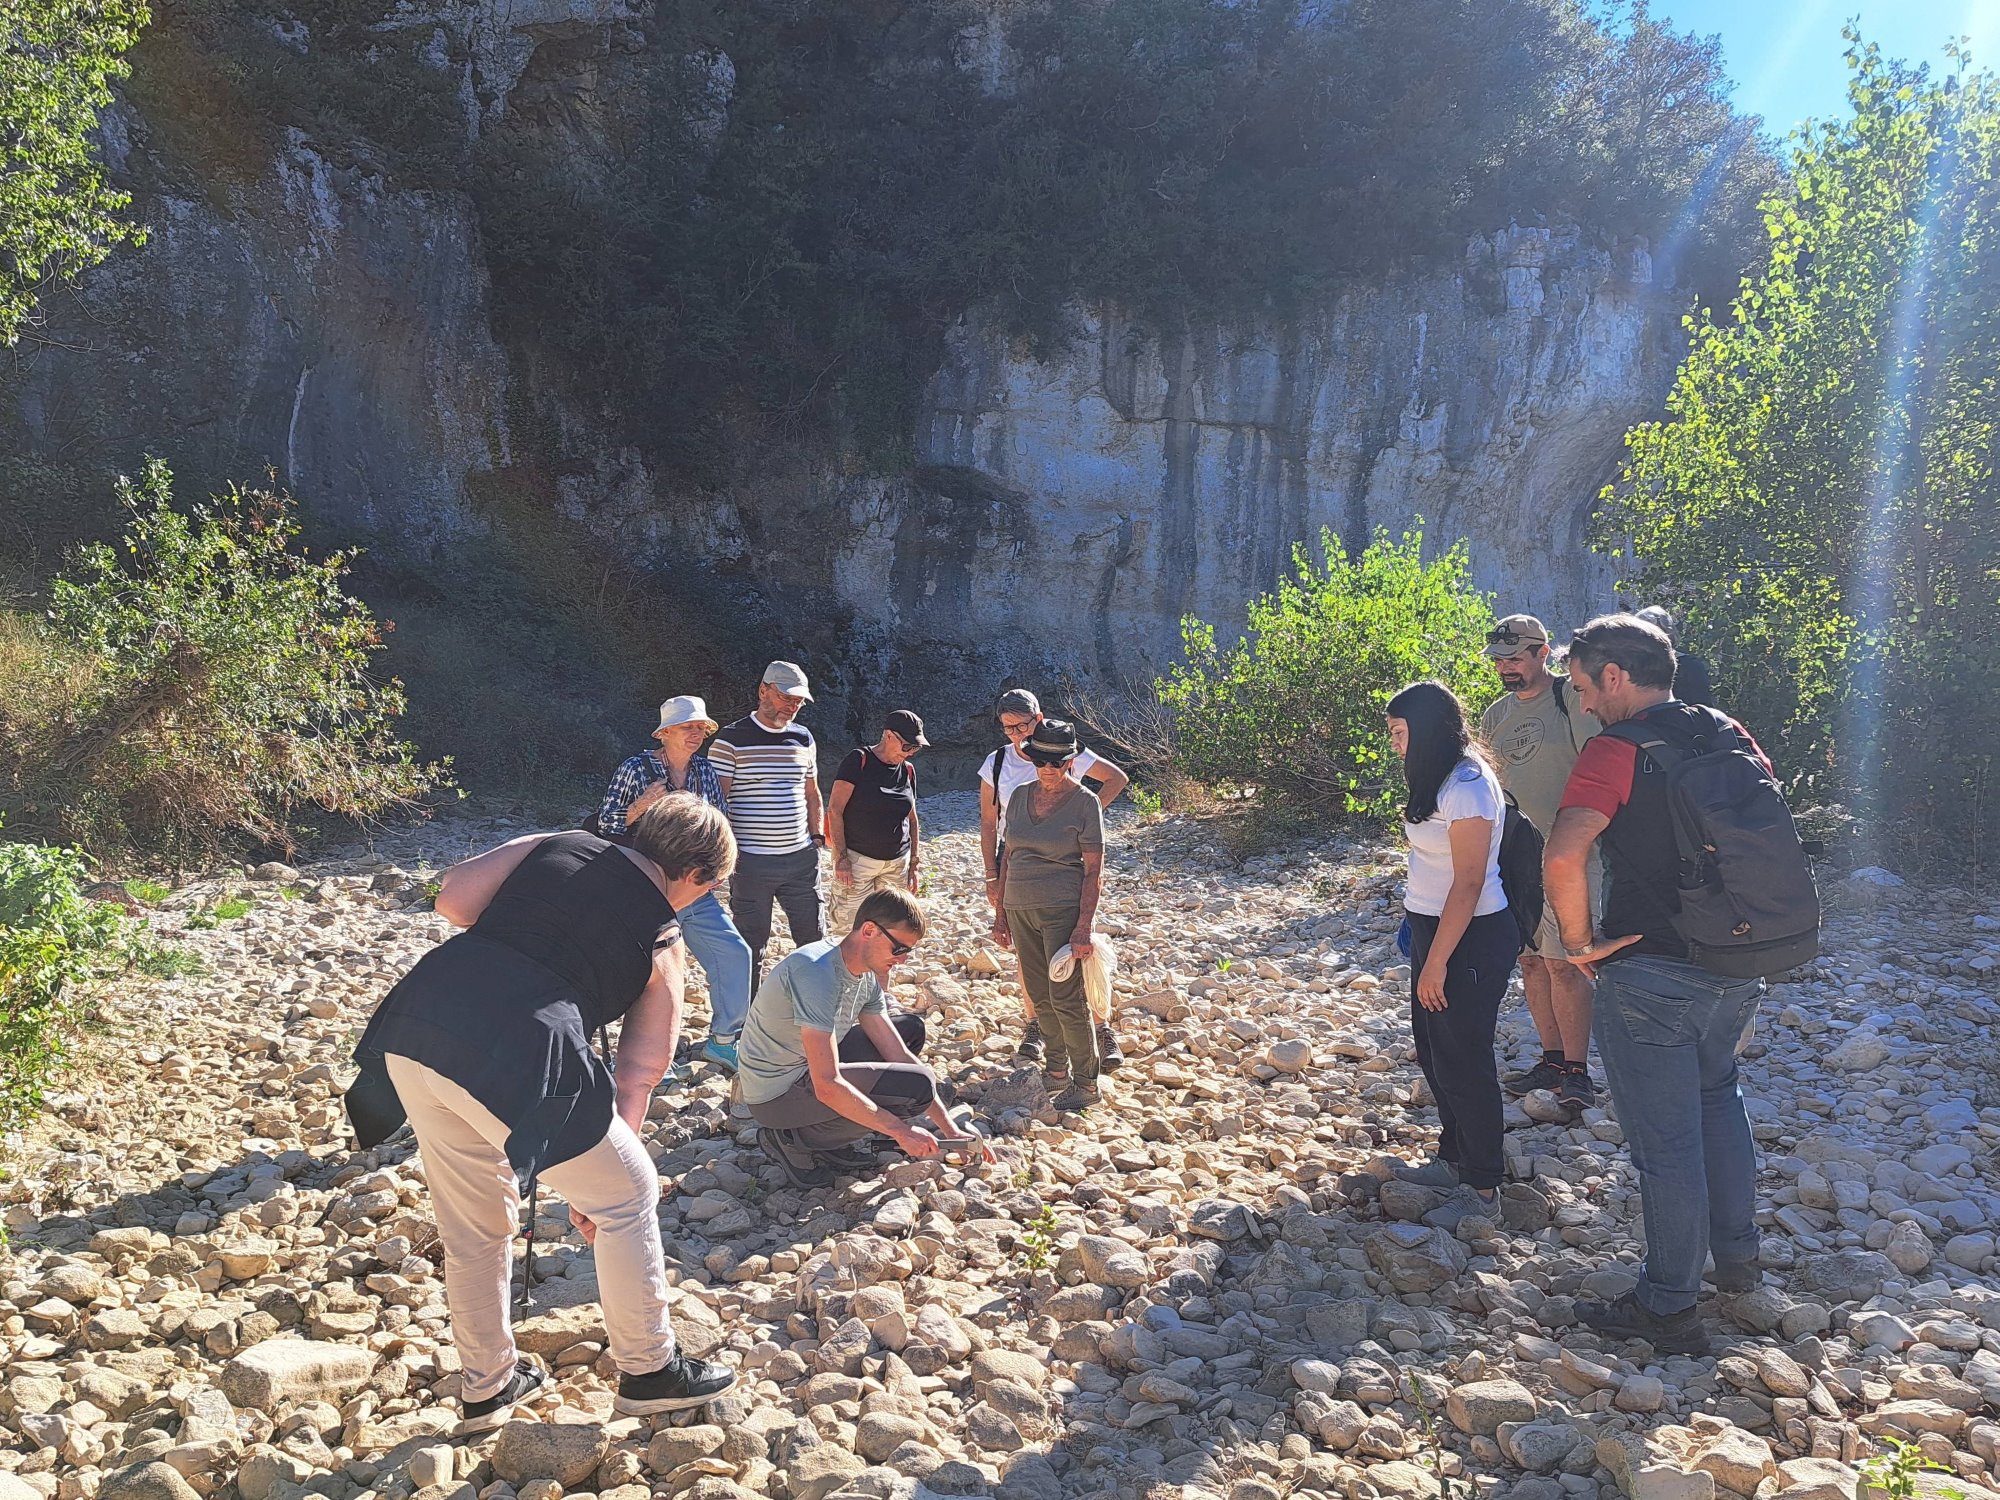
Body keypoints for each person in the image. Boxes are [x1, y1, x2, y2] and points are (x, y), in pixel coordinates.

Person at [349, 795, 739, 1432]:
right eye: (710, 887)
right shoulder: (663, 935)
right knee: (629, 1194)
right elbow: (641, 1068)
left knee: (474, 1226)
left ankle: (488, 1386)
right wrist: (602, 1181)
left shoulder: (557, 844)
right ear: (698, 876)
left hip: (418, 1023)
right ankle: (649, 1370)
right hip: (520, 1047)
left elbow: (452, 900)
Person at [1546, 614, 1770, 1355]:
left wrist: (1578, 944)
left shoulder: (1615, 749)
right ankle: (1737, 1264)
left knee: (1666, 1147)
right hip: (1738, 959)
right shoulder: (1729, 731)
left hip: (1651, 972)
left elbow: (1564, 853)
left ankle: (1669, 1306)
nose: (1583, 703)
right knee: (1719, 1100)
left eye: (1583, 687)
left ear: (1615, 675)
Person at [740, 888, 992, 1187]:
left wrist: (951, 1130)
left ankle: (829, 1135)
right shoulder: (817, 973)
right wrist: (900, 1131)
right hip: (774, 1096)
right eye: (898, 949)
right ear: (869, 931)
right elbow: (827, 1085)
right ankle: (793, 1139)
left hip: (804, 1068)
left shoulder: (864, 972)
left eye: (908, 952)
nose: (902, 960)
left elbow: (897, 1052)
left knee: (909, 1031)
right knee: (914, 1089)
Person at [1384, 682, 1517, 1231]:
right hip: (1431, 927)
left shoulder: (1468, 785)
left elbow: (1469, 883)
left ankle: (1483, 1188)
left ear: (1427, 730)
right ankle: (1453, 1159)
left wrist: (1438, 961)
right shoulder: (1436, 776)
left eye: (1400, 733)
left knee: (1465, 1059)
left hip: (1470, 935)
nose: (1395, 744)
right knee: (1436, 1052)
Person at [1478, 615, 1602, 1111]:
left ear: (1542, 653)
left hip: (1570, 854)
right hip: (1515, 857)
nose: (1505, 667)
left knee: (1565, 964)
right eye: (1499, 660)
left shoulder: (1570, 700)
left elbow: (1598, 768)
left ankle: (1577, 1071)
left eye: (1515, 658)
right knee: (1530, 961)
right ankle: (1551, 1060)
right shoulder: (1495, 715)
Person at [596, 696, 754, 1072]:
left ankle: (723, 1041)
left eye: (701, 727)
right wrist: (641, 806)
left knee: (735, 953)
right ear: (664, 733)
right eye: (687, 727)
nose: (696, 733)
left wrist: (718, 869)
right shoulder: (635, 768)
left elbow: (720, 821)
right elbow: (605, 823)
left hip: (692, 885)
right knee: (649, 972)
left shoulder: (704, 770)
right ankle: (644, 1060)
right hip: (643, 886)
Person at [977, 689, 1130, 1070]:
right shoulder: (996, 763)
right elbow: (989, 823)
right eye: (1008, 727)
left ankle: (1100, 1027)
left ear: (1039, 718)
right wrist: (991, 875)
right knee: (1026, 950)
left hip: (1068, 858)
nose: (1016, 734)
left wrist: (1080, 819)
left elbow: (1115, 778)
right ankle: (1037, 1027)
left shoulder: (1063, 746)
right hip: (1016, 858)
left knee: (1081, 945)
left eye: (1022, 725)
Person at [991, 718, 1109, 1113]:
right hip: (1019, 907)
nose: (1048, 768)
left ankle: (1086, 1083)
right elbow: (1008, 856)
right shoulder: (1019, 796)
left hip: (1062, 911)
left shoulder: (1085, 803)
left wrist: (1083, 927)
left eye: (1056, 762)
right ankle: (1056, 1070)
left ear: (1071, 762)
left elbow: (1094, 870)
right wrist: (1000, 915)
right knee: (1040, 995)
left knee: (1066, 998)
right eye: (1040, 760)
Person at [709, 661, 825, 984]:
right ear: (763, 691)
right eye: (786, 697)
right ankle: (746, 1014)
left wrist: (817, 838)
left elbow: (812, 793)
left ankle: (814, 1008)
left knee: (814, 940)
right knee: (750, 945)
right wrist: (722, 858)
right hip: (751, 863)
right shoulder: (730, 740)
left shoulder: (803, 738)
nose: (793, 706)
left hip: (801, 861)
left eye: (799, 701)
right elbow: (716, 805)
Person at [826, 710, 926, 935]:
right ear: (889, 736)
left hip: (897, 863)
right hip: (857, 861)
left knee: (890, 929)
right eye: (907, 746)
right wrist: (841, 858)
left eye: (915, 748)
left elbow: (912, 818)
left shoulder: (908, 770)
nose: (910, 753)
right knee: (848, 929)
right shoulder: (858, 761)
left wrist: (914, 864)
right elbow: (834, 810)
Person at [1635, 605, 1713, 708]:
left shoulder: (1690, 666)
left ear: (1667, 634)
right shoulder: (1633, 669)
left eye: (1652, 635)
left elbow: (1702, 709)